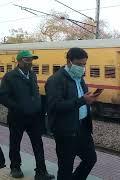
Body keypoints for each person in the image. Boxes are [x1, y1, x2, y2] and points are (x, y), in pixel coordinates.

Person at [45, 47, 101, 180]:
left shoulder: (79, 78)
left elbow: (80, 99)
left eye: (84, 64)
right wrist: (82, 100)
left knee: (90, 159)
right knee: (66, 167)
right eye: (79, 64)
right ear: (69, 61)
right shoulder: (55, 80)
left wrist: (88, 101)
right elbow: (55, 106)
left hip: (83, 127)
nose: (82, 67)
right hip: (66, 130)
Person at [0, 50, 55, 179]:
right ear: (19, 61)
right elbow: (3, 97)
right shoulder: (10, 76)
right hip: (17, 116)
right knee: (15, 143)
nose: (30, 62)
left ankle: (41, 171)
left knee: (38, 143)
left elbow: (35, 91)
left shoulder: (32, 74)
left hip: (34, 116)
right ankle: (15, 167)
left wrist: (39, 107)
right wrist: (17, 107)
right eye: (27, 60)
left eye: (31, 60)